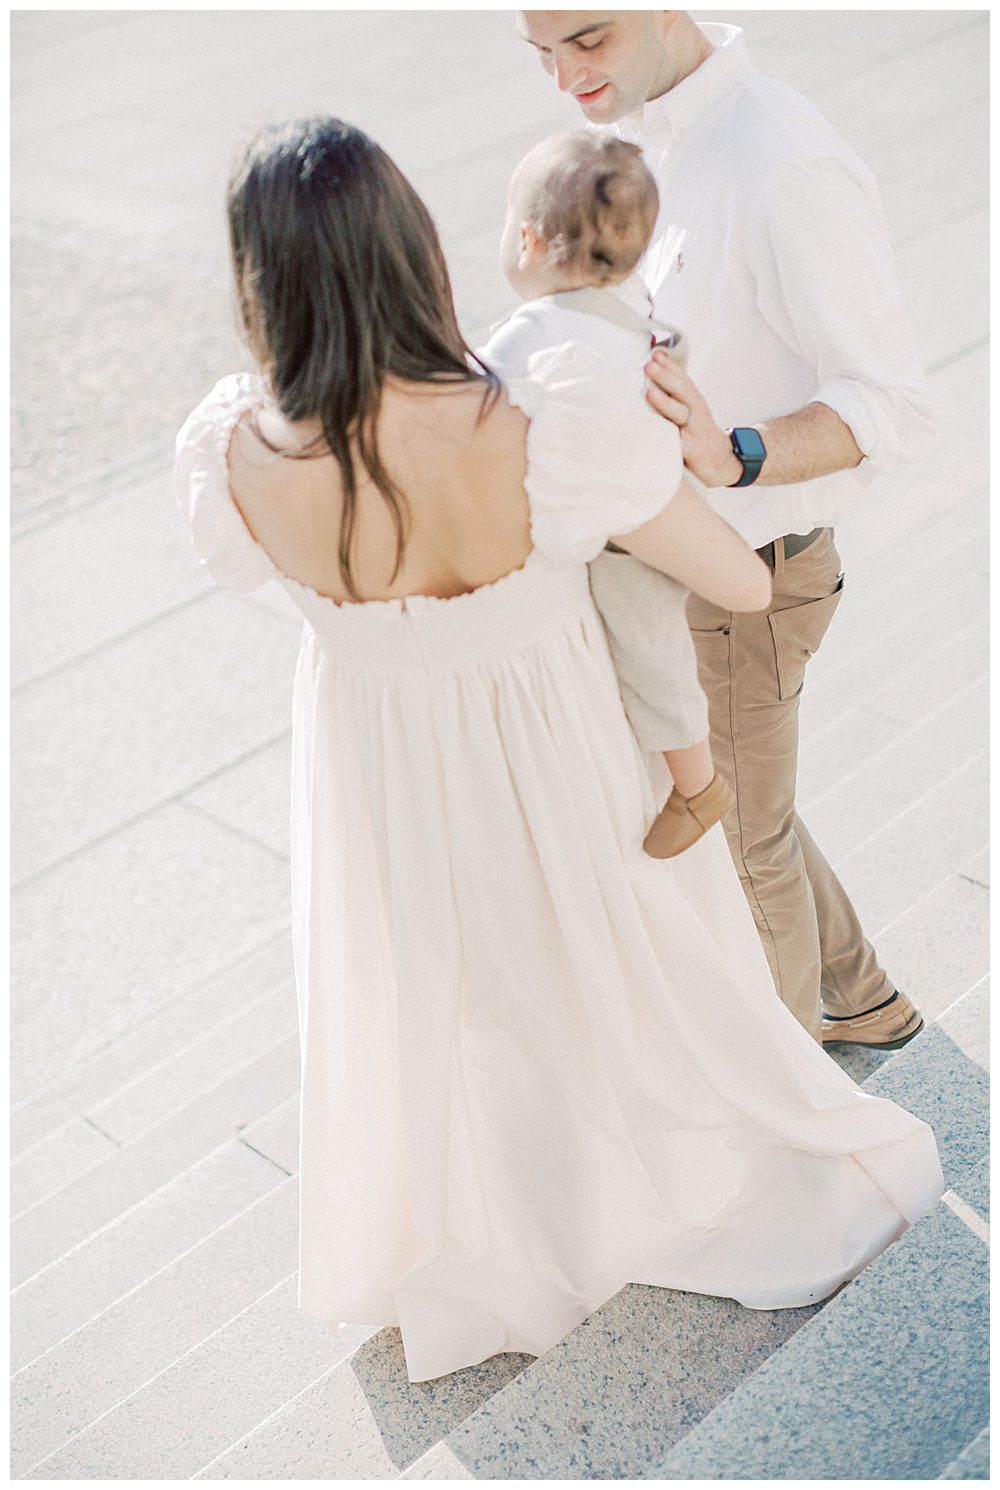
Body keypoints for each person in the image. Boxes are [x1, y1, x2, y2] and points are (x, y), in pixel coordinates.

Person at [174, 118, 942, 1384]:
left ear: (260, 282)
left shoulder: (233, 455)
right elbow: (735, 591)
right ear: (416, 248)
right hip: (548, 747)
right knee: (614, 959)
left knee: (442, 987)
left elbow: (276, 581)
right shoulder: (536, 415)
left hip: (377, 767)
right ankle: (639, 1170)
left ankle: (493, 1207)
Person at [517, 11, 934, 1048]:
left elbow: (892, 404)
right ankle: (863, 993)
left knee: (742, 843)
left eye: (586, 39)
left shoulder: (782, 162)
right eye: (541, 54)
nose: (565, 76)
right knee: (752, 810)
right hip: (675, 572)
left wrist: (733, 447)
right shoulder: (638, 135)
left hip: (750, 572)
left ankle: (804, 1140)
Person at [481, 129, 738, 859]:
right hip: (658, 488)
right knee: (653, 641)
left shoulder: (535, 331)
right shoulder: (630, 301)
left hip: (622, 528)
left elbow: (481, 398)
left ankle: (698, 787)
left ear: (528, 240)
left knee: (651, 651)